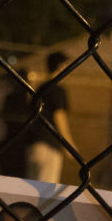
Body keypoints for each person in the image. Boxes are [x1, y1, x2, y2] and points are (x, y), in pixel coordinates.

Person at [29, 52, 78, 183]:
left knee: (32, 190)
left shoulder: (40, 88)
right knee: (46, 193)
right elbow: (59, 117)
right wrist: (69, 146)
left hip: (33, 145)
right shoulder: (58, 89)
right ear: (61, 66)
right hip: (49, 147)